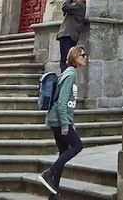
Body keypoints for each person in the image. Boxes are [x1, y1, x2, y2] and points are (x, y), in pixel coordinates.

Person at [38, 45, 85, 197]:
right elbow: (63, 101)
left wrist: (70, 122)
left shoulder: (69, 73)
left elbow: (68, 103)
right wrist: (65, 124)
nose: (85, 58)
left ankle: (53, 194)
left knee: (63, 153)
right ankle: (49, 173)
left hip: (59, 119)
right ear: (74, 58)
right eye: (82, 55)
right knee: (78, 145)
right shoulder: (71, 74)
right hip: (59, 120)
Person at [57, 0, 86, 70]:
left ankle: (65, 79)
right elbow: (65, 10)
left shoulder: (80, 5)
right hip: (69, 35)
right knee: (68, 60)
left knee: (65, 60)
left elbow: (65, 6)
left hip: (68, 35)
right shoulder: (78, 6)